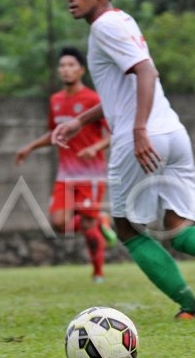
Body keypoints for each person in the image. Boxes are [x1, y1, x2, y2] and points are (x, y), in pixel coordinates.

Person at [50, 0, 195, 322]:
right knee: (179, 230)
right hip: (173, 134)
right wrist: (82, 120)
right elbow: (123, 88)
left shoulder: (103, 28)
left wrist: (138, 130)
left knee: (127, 228)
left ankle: (192, 307)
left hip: (141, 139)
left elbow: (147, 72)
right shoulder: (123, 21)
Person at [15, 46, 118, 282]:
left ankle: (98, 272)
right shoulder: (56, 100)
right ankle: (99, 219)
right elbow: (55, 132)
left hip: (91, 174)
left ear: (81, 70)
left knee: (90, 229)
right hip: (65, 174)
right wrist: (30, 147)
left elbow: (113, 133)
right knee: (59, 223)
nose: (65, 70)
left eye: (71, 65)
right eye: (62, 66)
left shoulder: (94, 99)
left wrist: (95, 148)